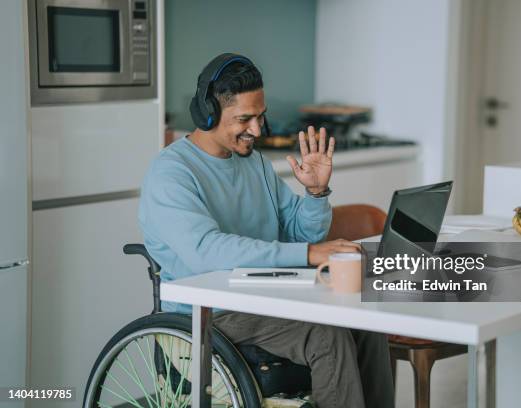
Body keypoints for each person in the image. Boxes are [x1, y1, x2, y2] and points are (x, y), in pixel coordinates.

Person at [138, 53, 394, 408]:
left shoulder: (254, 163)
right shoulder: (171, 173)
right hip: (210, 310)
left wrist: (316, 193)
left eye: (260, 116)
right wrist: (306, 255)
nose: (257, 130)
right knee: (326, 335)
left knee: (367, 322)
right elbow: (207, 252)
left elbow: (303, 233)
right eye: (244, 119)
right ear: (207, 113)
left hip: (267, 294)